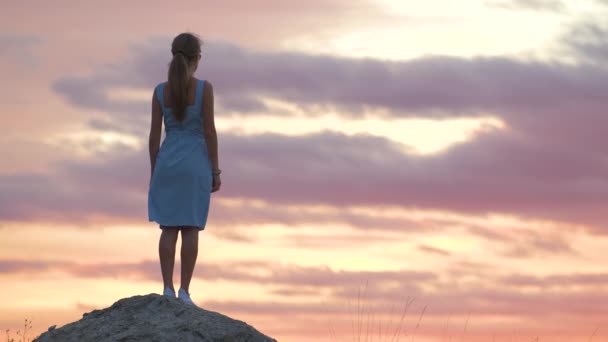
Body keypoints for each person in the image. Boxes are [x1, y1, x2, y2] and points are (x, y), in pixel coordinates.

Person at [147, 32, 221, 306]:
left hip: (167, 162)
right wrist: (215, 170)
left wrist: (156, 170)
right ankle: (185, 291)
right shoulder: (204, 89)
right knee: (190, 228)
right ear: (195, 59)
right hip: (195, 162)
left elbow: (154, 137)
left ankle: (167, 287)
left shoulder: (159, 91)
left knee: (168, 228)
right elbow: (210, 132)